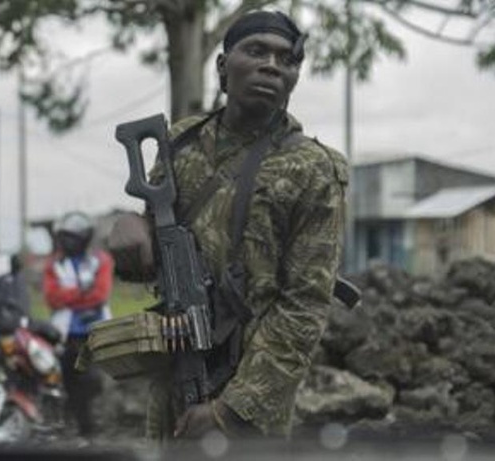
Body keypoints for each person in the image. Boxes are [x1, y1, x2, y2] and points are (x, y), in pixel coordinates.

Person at [110, 10, 349, 441]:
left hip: (249, 413)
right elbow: (149, 253)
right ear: (223, 66)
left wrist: (231, 410)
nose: (271, 66)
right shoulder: (179, 144)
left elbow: (304, 307)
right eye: (256, 51)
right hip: (174, 380)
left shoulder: (313, 170)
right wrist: (127, 226)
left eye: (285, 59)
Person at [42, 211, 114, 437]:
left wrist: (69, 297)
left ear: (84, 237)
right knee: (67, 382)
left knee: (92, 382)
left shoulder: (101, 260)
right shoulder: (54, 264)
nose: (66, 241)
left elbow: (100, 294)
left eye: (71, 236)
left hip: (94, 333)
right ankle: (76, 430)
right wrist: (81, 292)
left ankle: (91, 429)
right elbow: (52, 298)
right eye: (63, 236)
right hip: (64, 334)